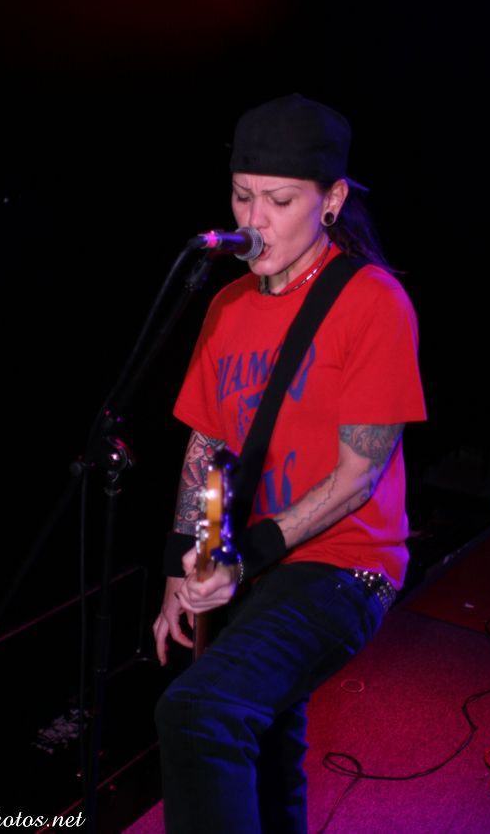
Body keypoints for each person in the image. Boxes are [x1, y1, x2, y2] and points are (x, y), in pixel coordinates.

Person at [152, 93, 426, 834]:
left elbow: (358, 478)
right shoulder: (227, 306)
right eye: (243, 196)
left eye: (278, 201)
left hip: (344, 567)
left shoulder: (374, 302)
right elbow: (206, 445)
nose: (254, 219)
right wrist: (180, 565)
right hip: (257, 565)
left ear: (331, 201)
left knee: (201, 712)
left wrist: (246, 556)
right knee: (269, 749)